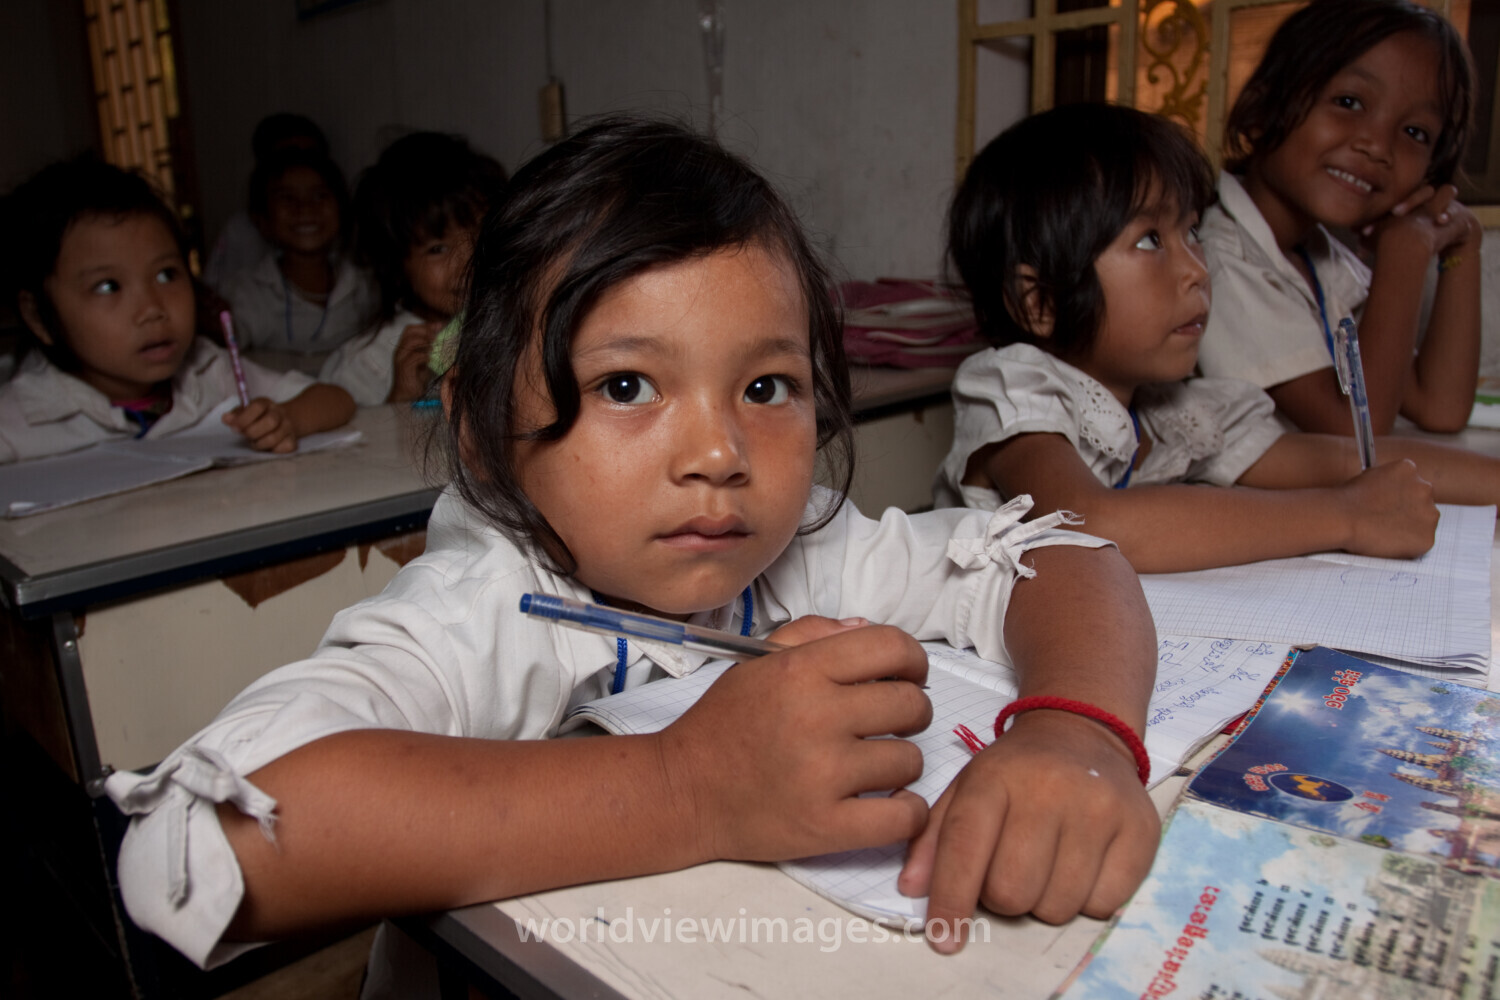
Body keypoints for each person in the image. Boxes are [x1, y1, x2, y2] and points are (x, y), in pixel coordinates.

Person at [108, 116, 1161, 995]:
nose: (719, 454)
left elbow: (1063, 553)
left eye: (766, 387)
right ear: (483, 428)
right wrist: (686, 786)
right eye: (626, 386)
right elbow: (198, 848)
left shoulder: (802, 548)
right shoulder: (485, 604)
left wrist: (1075, 731)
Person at [935, 103, 1500, 574]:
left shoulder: (1174, 412)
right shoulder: (1015, 389)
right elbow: (1091, 524)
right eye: (1151, 240)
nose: (1197, 269)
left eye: (1192, 232)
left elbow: (1340, 460)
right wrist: (1348, 516)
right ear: (1041, 302)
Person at [1195, 0, 1479, 435]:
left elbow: (1440, 407)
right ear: (1261, 110)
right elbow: (1355, 431)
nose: (1378, 146)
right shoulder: (1216, 260)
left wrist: (1462, 247)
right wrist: (1403, 255)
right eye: (1349, 102)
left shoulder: (1320, 261)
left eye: (1415, 132)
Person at [0, 158, 354, 463]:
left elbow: (335, 399)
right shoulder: (16, 424)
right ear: (37, 317)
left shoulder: (208, 370)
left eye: (166, 275)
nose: (153, 308)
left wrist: (287, 419)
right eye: (108, 286)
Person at [320, 131, 507, 405]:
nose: (468, 261)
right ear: (395, 266)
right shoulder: (366, 362)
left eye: (479, 238)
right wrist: (401, 399)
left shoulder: (506, 327)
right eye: (438, 249)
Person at [218, 148, 376, 359]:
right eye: (287, 198)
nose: (305, 208)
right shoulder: (247, 292)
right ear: (261, 219)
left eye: (319, 196)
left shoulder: (366, 286)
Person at [203, 112, 330, 294]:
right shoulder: (240, 231)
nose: (304, 209)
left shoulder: (333, 228)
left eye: (311, 159)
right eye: (286, 161)